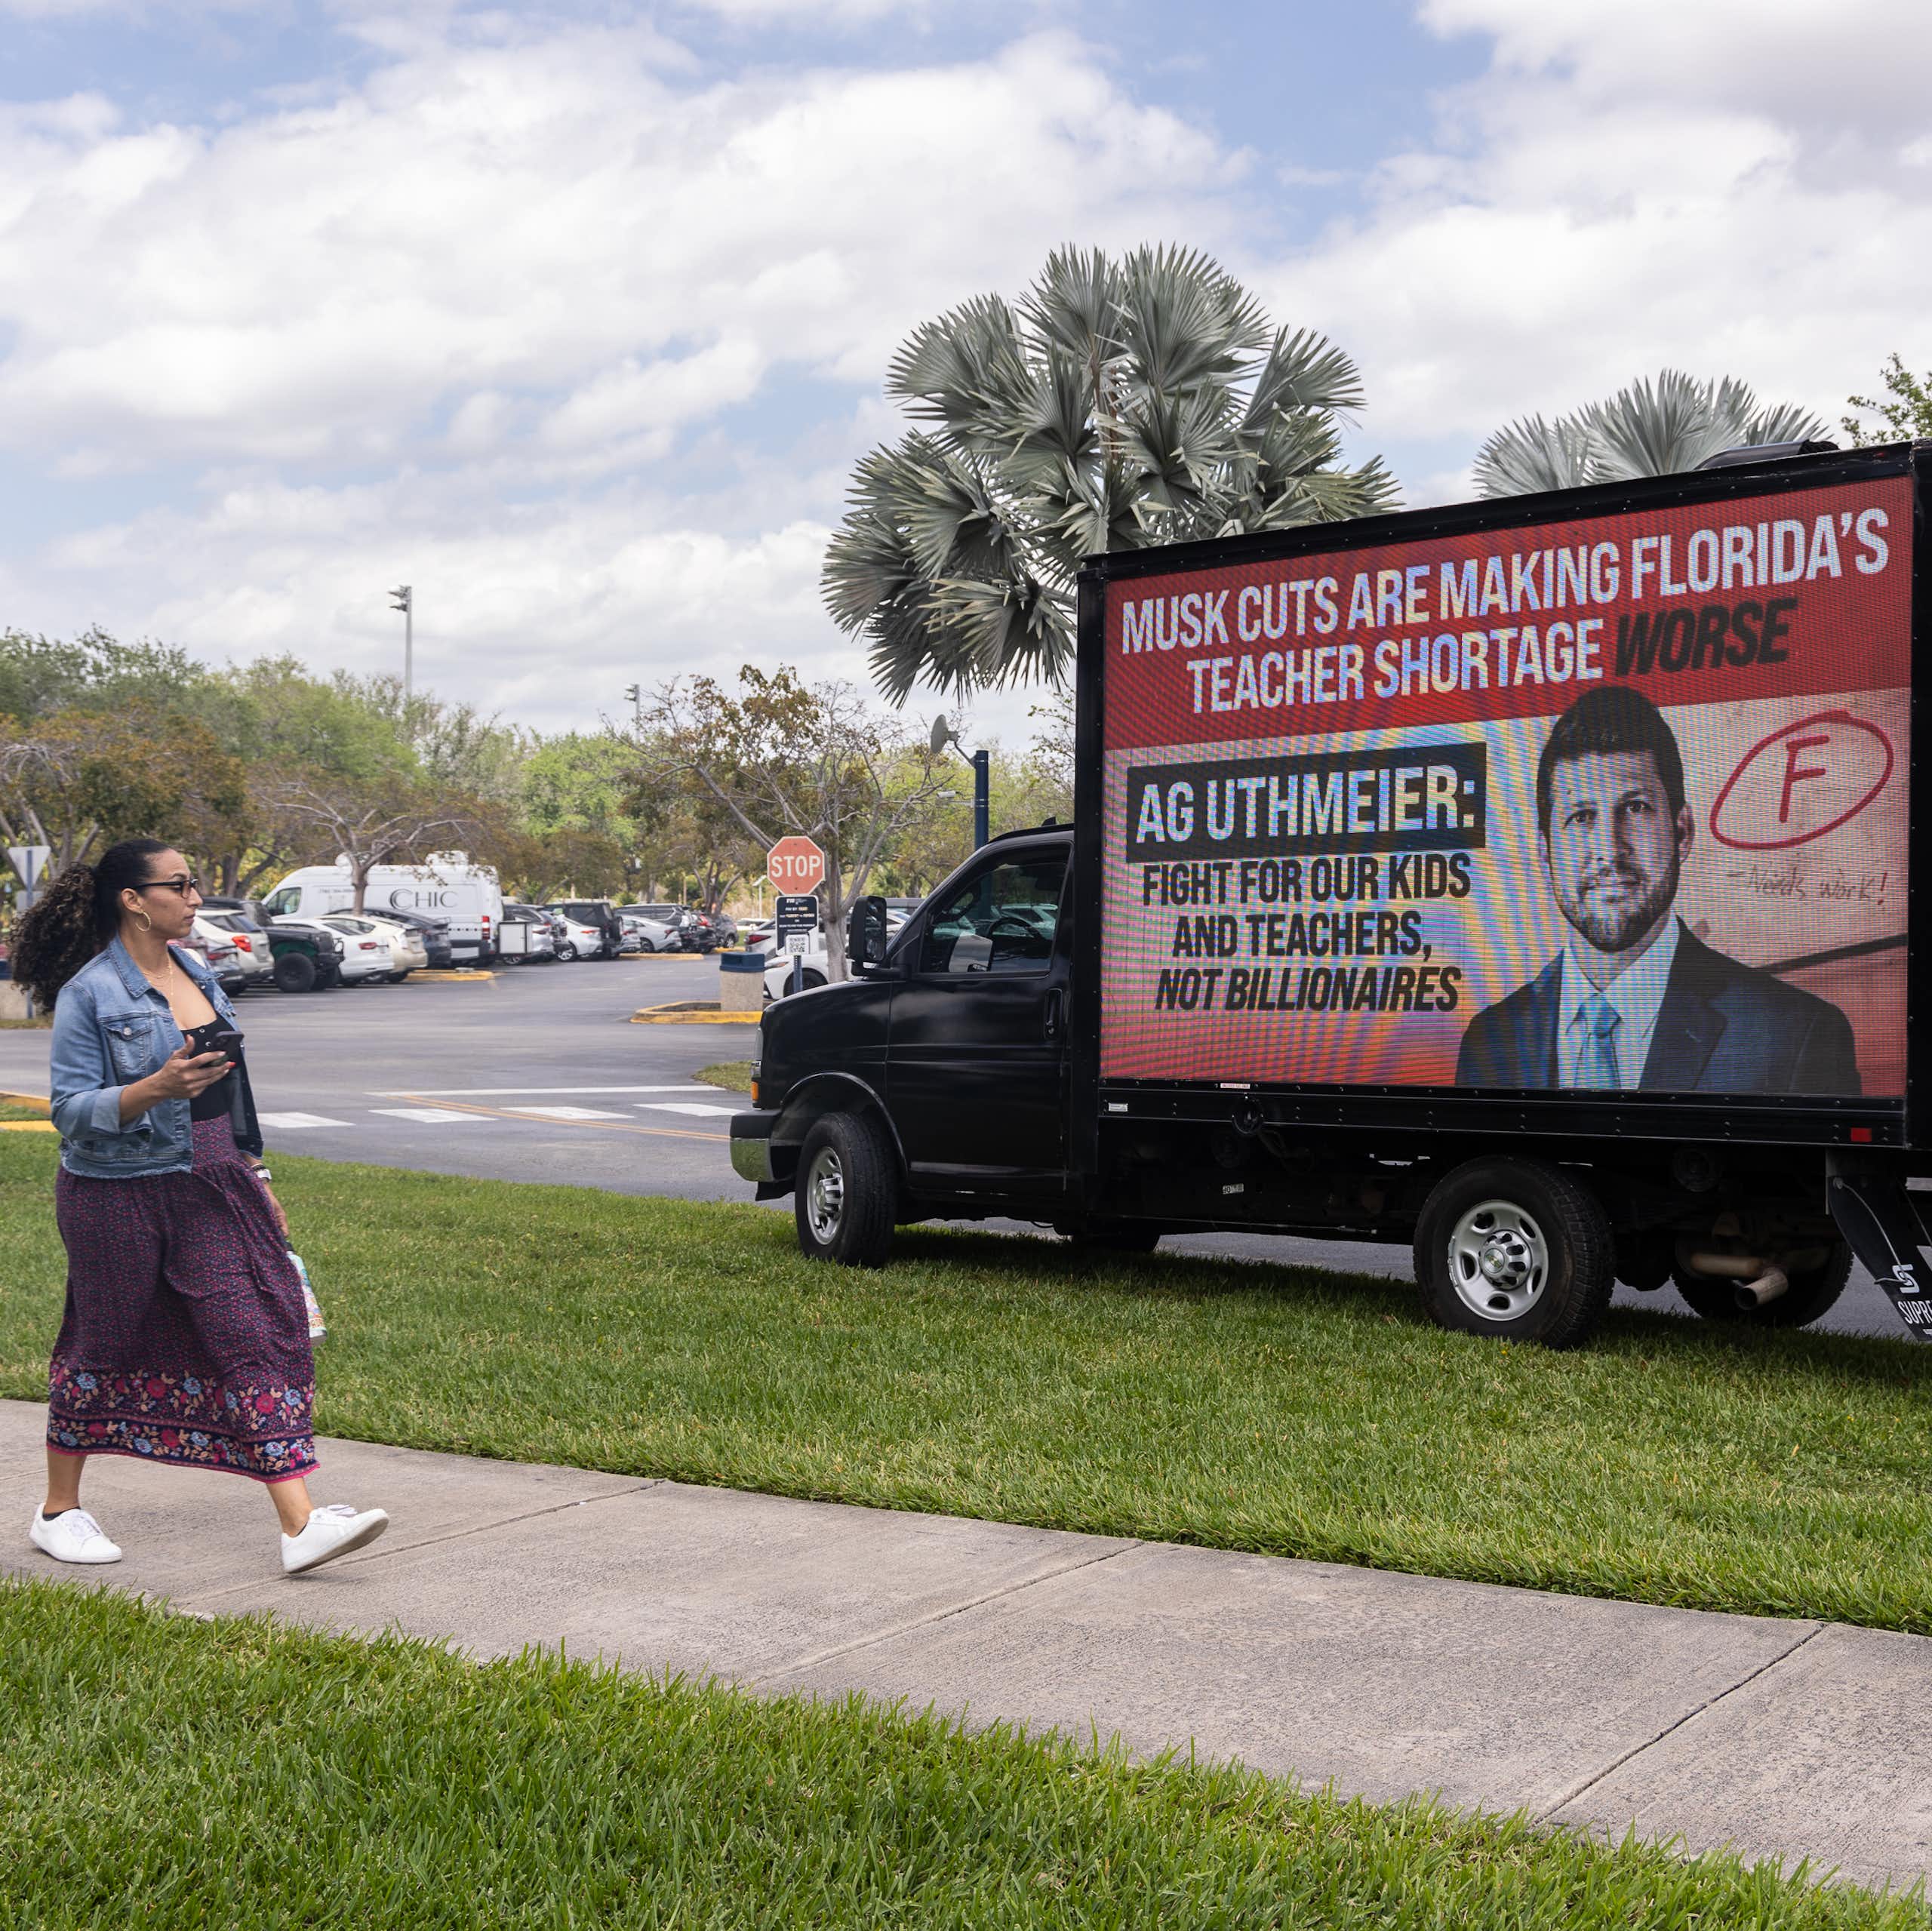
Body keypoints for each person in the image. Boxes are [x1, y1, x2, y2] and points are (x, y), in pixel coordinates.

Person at [14, 838, 389, 1573]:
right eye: (180, 885)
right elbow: (69, 1110)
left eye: (194, 883)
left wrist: (258, 1175)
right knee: (103, 1343)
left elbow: (232, 1091)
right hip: (118, 1192)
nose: (194, 897)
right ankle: (58, 1512)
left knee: (247, 1329)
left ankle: (299, 1524)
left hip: (214, 1179)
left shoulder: (197, 970)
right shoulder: (93, 991)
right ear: (133, 899)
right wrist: (153, 1087)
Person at [1456, 685, 1860, 1095]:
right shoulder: (1489, 1040)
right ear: (1545, 853)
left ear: (1682, 833)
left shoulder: (1797, 1034)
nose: (1610, 850)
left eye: (1636, 808)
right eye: (1581, 817)